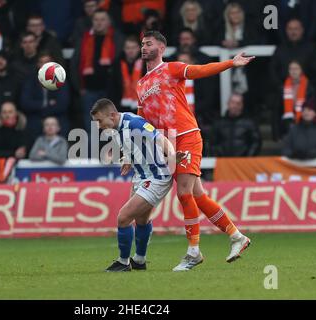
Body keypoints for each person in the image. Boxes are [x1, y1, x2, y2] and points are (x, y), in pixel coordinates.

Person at [137, 31, 253, 271]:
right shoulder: (141, 84)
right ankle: (237, 236)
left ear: (161, 46)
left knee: (184, 193)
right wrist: (133, 151)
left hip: (187, 136)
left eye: (148, 43)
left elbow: (201, 70)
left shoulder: (172, 69)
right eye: (142, 44)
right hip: (168, 144)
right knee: (198, 196)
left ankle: (193, 252)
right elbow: (143, 120)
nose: (143, 47)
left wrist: (231, 63)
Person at [90, 98, 182, 272]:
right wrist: (128, 158)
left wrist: (171, 154)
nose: (99, 126)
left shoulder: (134, 123)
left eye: (99, 121)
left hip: (156, 177)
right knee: (141, 219)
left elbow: (160, 138)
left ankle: (123, 262)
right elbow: (134, 145)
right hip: (141, 176)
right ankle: (139, 260)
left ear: (112, 115)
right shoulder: (115, 128)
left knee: (123, 217)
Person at [19, 52, 70, 144]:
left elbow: (63, 104)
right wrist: (46, 104)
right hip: (36, 116)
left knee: (61, 124)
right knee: (31, 126)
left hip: (56, 116)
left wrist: (39, 106)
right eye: (41, 62)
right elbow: (25, 103)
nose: (44, 65)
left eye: (47, 62)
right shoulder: (30, 80)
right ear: (37, 64)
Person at [109, 35, 145, 113]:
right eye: (128, 48)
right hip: (121, 108)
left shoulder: (147, 64)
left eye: (133, 48)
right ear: (124, 49)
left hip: (142, 108)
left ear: (139, 49)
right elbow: (112, 87)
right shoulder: (117, 64)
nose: (130, 51)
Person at [280, 60, 314, 137]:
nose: (293, 71)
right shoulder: (283, 87)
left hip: (305, 121)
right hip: (287, 123)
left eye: (296, 69)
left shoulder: (309, 86)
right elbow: (278, 109)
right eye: (291, 69)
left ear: (301, 70)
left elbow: (312, 107)